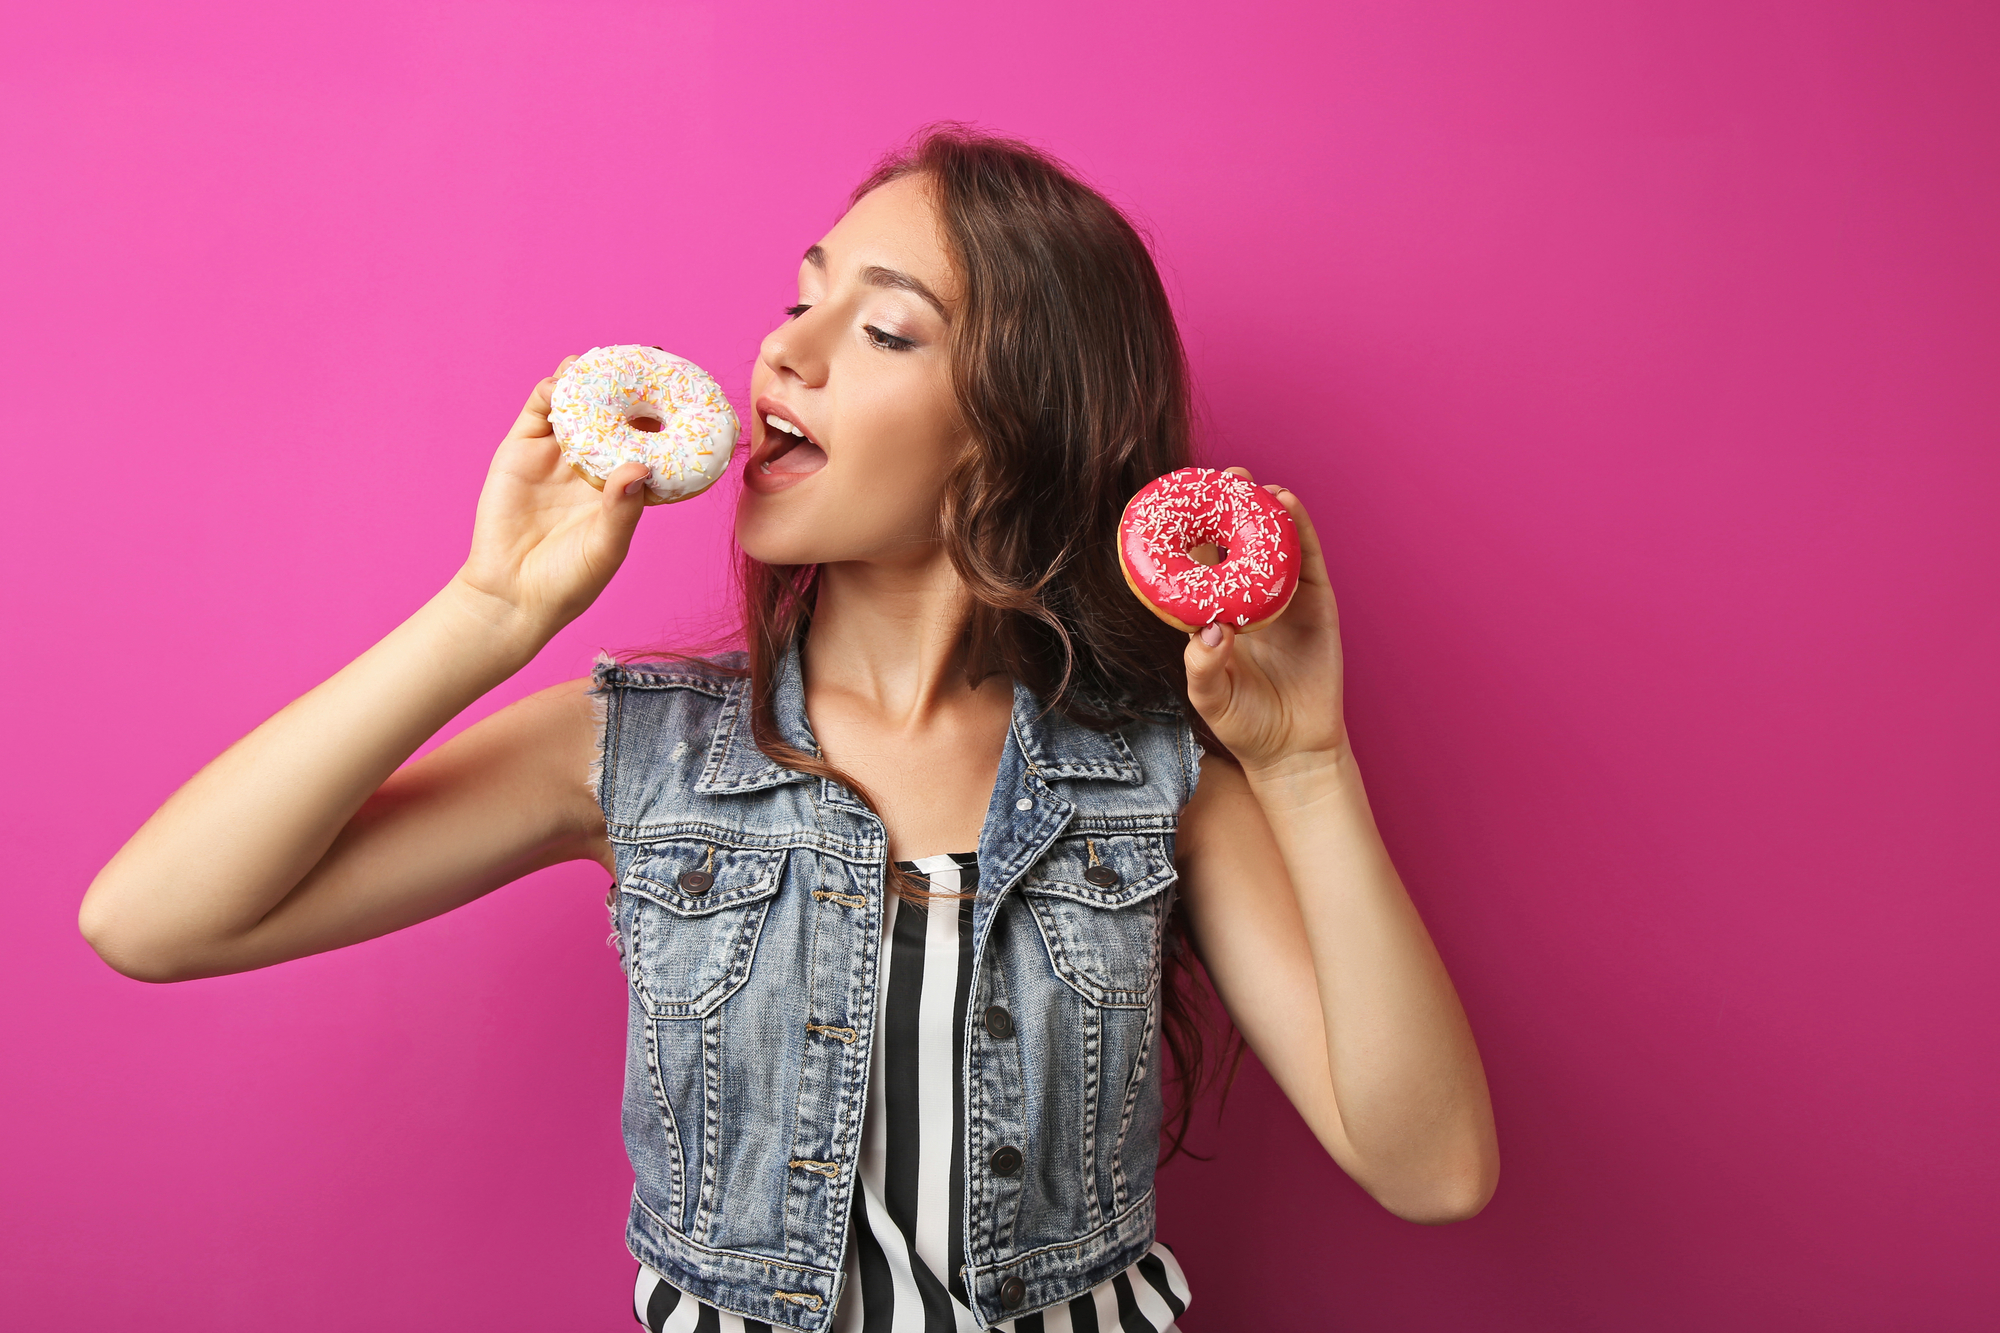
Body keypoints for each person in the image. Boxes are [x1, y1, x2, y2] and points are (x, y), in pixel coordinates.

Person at [80, 126, 1498, 1332]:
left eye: (880, 327)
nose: (783, 349)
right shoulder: (636, 750)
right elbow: (152, 919)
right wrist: (489, 609)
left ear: (1013, 432)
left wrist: (1307, 765)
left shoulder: (1153, 776)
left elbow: (1433, 1167)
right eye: (797, 298)